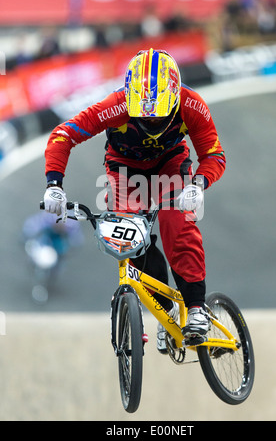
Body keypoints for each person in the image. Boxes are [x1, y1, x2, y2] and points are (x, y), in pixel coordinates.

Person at [43, 48, 226, 353]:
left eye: (160, 117)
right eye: (144, 116)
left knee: (176, 224)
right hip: (125, 170)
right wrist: (54, 185)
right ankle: (165, 312)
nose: (152, 122)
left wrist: (199, 184)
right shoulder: (114, 105)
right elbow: (63, 135)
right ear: (129, 99)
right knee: (129, 237)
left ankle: (196, 308)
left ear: (175, 97)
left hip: (171, 165)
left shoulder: (192, 104)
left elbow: (214, 155)